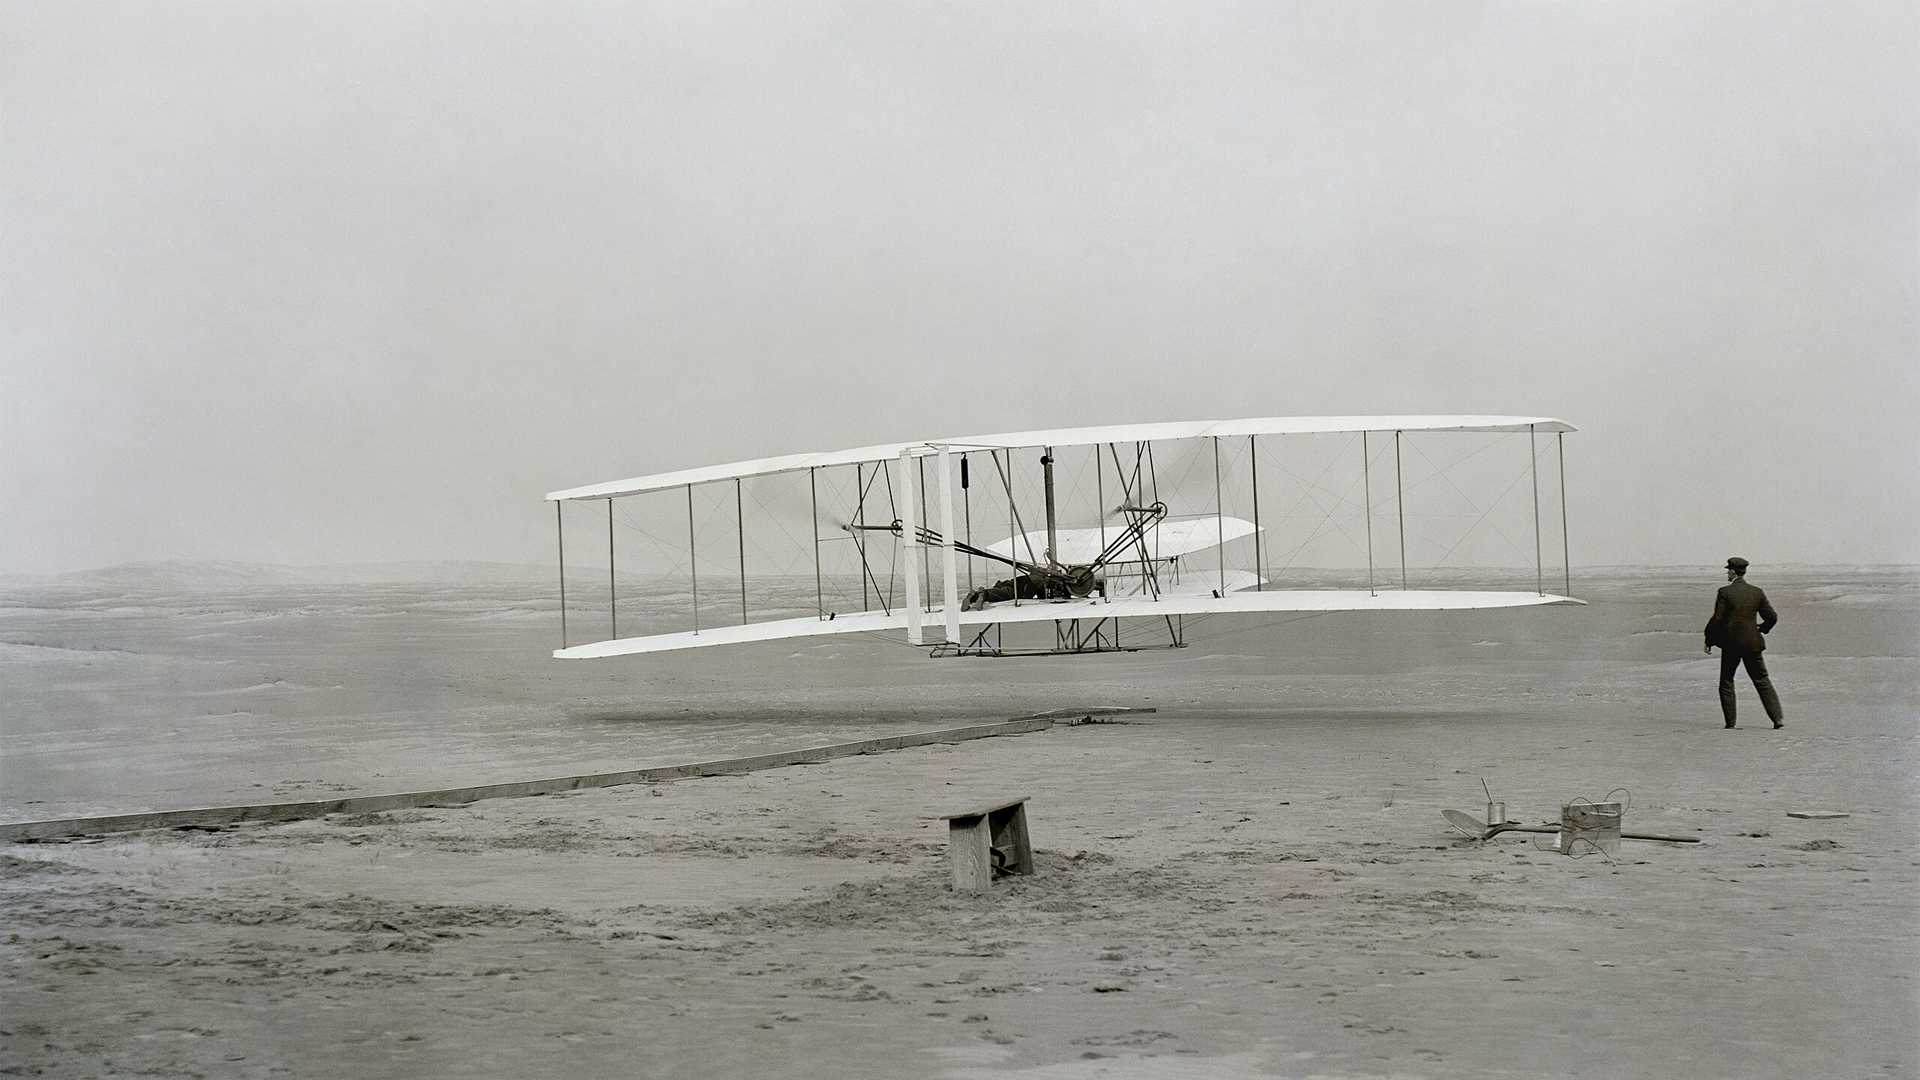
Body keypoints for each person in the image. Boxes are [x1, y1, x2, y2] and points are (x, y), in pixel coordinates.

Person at [1703, 557, 1784, 729]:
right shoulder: (1757, 592)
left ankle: (1730, 724)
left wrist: (1709, 638)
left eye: (1728, 570)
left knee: (1727, 681)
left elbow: (1717, 619)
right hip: (1752, 643)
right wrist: (1762, 629)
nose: (1727, 572)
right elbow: (1772, 617)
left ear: (1733, 571)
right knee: (1762, 680)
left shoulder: (1725, 592)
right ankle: (1778, 719)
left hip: (1731, 644)